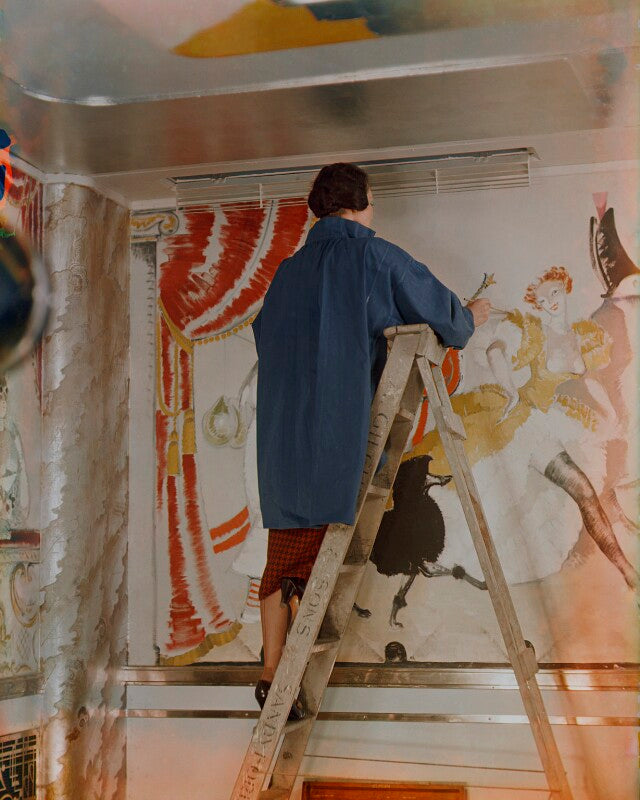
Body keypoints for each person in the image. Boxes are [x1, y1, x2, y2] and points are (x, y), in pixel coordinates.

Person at [251, 162, 489, 715]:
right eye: (373, 201)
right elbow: (448, 320)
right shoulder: (375, 257)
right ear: (360, 203)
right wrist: (473, 314)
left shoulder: (287, 272)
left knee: (281, 554)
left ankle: (270, 673)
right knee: (316, 560)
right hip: (340, 431)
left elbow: (265, 334)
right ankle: (286, 685)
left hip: (283, 438)